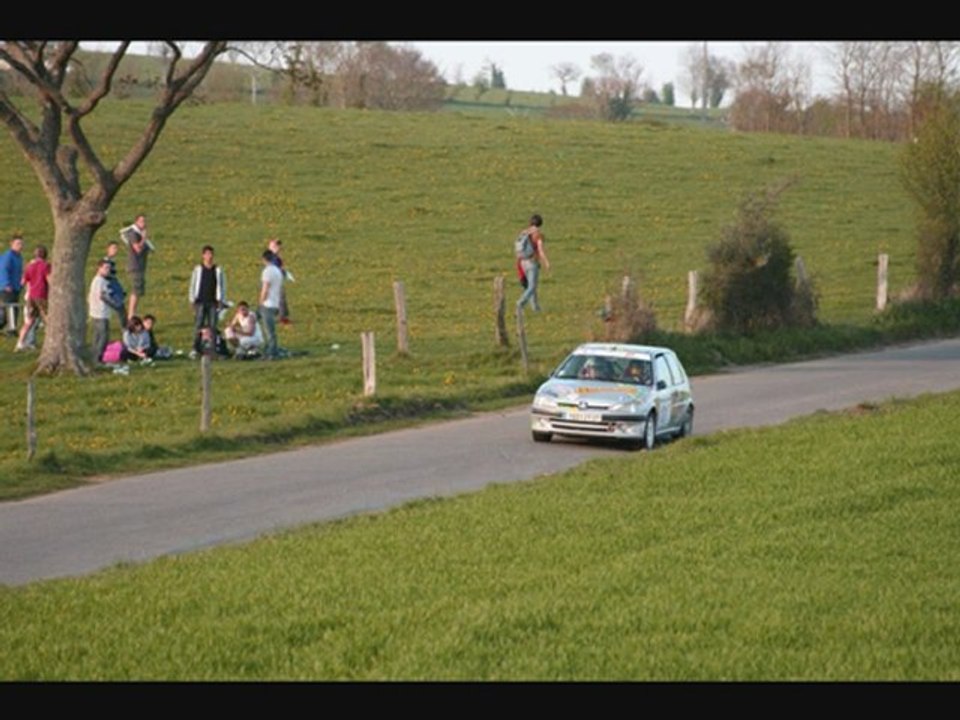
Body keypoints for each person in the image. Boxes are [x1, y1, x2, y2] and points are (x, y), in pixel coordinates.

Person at [188, 245, 226, 357]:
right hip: (200, 300)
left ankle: (213, 348)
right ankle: (195, 348)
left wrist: (221, 299)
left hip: (213, 302)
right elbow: (193, 284)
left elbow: (222, 285)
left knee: (213, 325)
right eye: (207, 254)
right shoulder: (198, 269)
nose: (209, 257)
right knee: (198, 325)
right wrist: (192, 299)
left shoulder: (218, 270)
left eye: (211, 254)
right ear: (203, 255)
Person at [15, 244, 51, 352]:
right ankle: (49, 343)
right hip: (42, 295)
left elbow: (22, 281)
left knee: (29, 321)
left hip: (31, 296)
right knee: (48, 319)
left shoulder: (29, 266)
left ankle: (19, 343)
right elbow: (49, 279)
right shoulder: (45, 266)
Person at [121, 214, 154, 321]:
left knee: (138, 290)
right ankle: (131, 315)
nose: (144, 224)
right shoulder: (134, 234)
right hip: (135, 266)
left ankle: (132, 313)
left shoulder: (138, 233)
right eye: (141, 221)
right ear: (136, 222)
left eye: (145, 221)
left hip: (140, 266)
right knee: (136, 290)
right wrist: (144, 238)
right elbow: (137, 249)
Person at [516, 213, 550, 313]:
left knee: (531, 285)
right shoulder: (538, 235)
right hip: (532, 262)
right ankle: (520, 303)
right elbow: (540, 250)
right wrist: (546, 262)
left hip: (522, 262)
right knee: (532, 286)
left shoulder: (524, 232)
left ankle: (536, 308)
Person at [258, 249, 284, 360]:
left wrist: (260, 301)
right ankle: (271, 350)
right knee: (270, 329)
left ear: (264, 259)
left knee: (269, 330)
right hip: (275, 303)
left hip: (267, 304)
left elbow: (265, 288)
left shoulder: (267, 271)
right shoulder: (277, 271)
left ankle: (272, 352)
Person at [87, 259, 113, 363]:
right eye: (106, 268)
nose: (108, 270)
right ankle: (97, 358)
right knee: (103, 337)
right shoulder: (98, 281)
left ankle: (95, 357)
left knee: (98, 336)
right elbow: (101, 296)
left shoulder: (103, 280)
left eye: (109, 268)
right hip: (99, 313)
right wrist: (113, 301)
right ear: (99, 268)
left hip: (102, 312)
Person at [1, 235, 25, 335]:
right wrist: (6, 284)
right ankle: (11, 329)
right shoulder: (8, 256)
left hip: (15, 287)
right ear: (12, 244)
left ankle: (12, 328)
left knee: (14, 308)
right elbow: (3, 270)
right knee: (9, 308)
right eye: (18, 244)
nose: (20, 246)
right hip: (7, 287)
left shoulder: (19, 257)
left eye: (22, 244)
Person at [267, 237, 293, 325]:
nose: (279, 247)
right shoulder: (272, 257)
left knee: (279, 298)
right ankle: (282, 318)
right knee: (280, 299)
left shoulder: (276, 257)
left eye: (279, 245)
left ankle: (281, 317)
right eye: (276, 245)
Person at [102, 240, 127, 328]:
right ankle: (125, 329)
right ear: (108, 249)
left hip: (113, 287)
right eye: (113, 248)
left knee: (121, 309)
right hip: (110, 289)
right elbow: (107, 277)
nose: (115, 250)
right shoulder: (106, 261)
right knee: (120, 308)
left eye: (116, 248)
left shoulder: (111, 261)